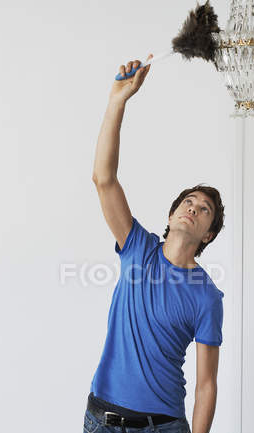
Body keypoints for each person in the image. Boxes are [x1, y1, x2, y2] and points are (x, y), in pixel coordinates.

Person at [86, 55, 225, 433]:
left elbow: (207, 384)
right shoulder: (137, 248)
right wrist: (118, 100)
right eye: (188, 202)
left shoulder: (207, 296)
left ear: (208, 235)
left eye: (204, 210)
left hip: (162, 427)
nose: (192, 210)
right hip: (102, 420)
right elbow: (103, 178)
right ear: (171, 215)